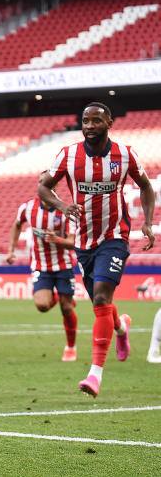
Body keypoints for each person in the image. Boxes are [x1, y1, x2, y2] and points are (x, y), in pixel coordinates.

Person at [39, 102, 156, 396]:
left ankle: (94, 375)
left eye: (96, 121)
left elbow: (146, 186)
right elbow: (43, 187)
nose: (89, 126)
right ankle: (121, 327)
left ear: (109, 123)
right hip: (83, 242)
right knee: (100, 305)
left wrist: (149, 222)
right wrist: (63, 206)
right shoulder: (68, 154)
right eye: (85, 121)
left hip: (115, 238)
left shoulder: (125, 154)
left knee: (103, 297)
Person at [6, 194, 79, 361]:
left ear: (53, 187)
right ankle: (62, 297)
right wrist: (11, 250)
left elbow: (72, 241)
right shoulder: (28, 207)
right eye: (40, 182)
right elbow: (17, 224)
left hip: (63, 264)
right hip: (40, 265)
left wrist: (57, 239)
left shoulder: (64, 211)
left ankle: (70, 347)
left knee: (67, 309)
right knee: (42, 305)